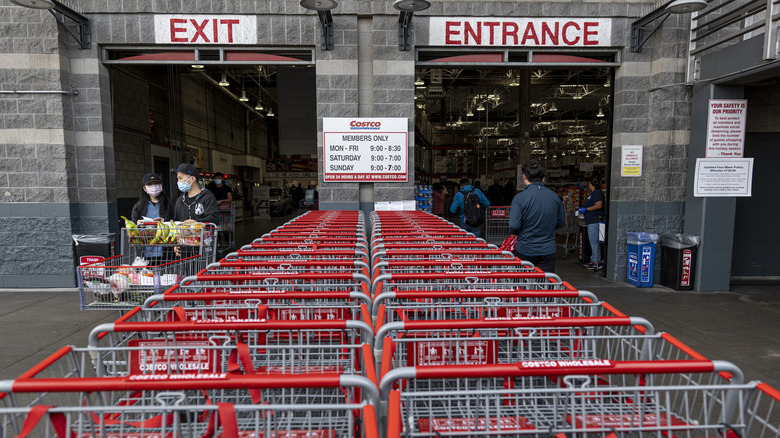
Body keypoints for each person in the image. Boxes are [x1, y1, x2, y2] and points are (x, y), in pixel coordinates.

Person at [508, 160, 565, 273]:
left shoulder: (520, 198)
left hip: (525, 249)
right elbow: (560, 222)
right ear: (543, 176)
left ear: (524, 176)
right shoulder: (554, 197)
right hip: (548, 250)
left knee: (523, 285)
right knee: (545, 285)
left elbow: (513, 226)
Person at [129, 173, 174, 260]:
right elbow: (133, 223)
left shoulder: (170, 203)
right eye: (150, 185)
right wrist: (138, 224)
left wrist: (165, 221)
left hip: (165, 250)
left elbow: (176, 220)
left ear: (161, 186)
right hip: (145, 250)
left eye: (156, 184)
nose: (153, 187)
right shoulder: (138, 206)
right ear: (144, 188)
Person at [579, 177, 606, 270]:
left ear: (590, 183)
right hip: (591, 221)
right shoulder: (594, 193)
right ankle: (594, 259)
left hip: (595, 221)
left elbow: (599, 205)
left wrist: (586, 209)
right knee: (593, 241)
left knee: (594, 242)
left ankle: (596, 261)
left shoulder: (597, 192)